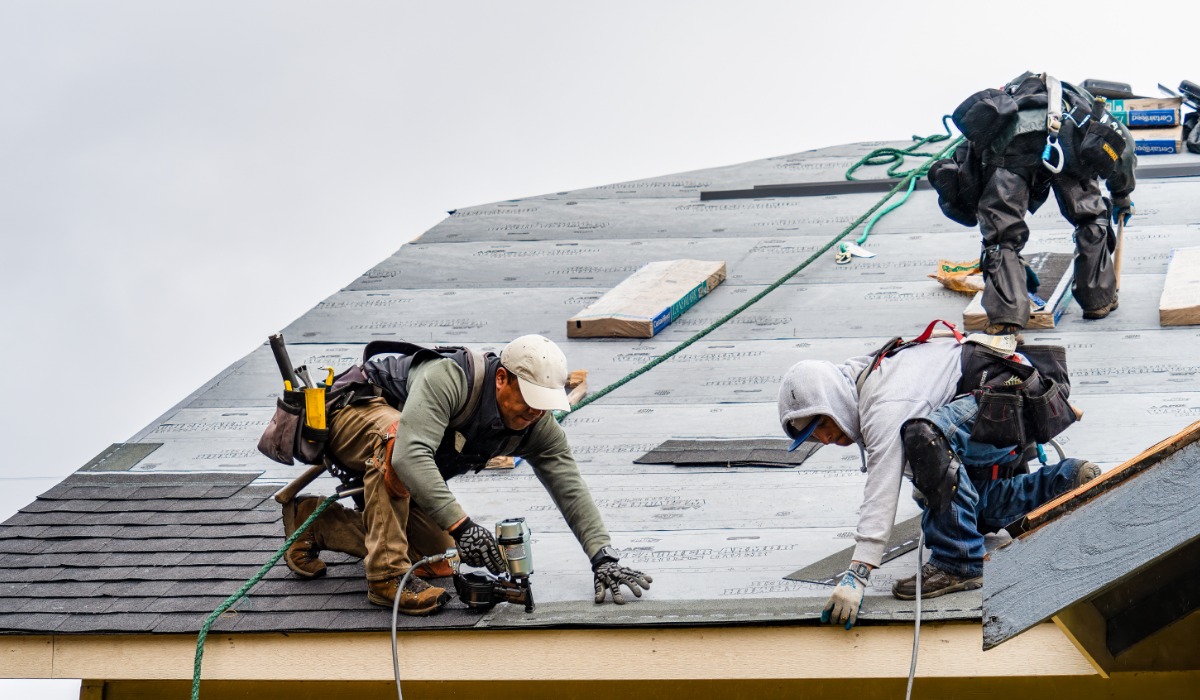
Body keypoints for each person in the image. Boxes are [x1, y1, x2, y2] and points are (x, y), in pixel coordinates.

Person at [283, 334, 651, 615]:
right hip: (354, 415)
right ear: (502, 379)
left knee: (438, 557)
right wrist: (464, 526)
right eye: (529, 401)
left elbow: (569, 485)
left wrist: (603, 557)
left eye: (544, 406)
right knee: (396, 439)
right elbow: (411, 455)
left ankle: (316, 524)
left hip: (395, 467)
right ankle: (385, 578)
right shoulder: (451, 378)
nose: (535, 413)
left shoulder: (535, 424)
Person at [776, 329, 1100, 629]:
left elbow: (882, 484)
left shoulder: (884, 400)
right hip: (1005, 407)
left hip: (1012, 398)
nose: (825, 438)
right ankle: (1064, 483)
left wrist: (858, 573)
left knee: (921, 437)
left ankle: (957, 561)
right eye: (812, 437)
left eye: (821, 424)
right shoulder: (859, 379)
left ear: (833, 400)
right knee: (969, 511)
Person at [935, 72, 1137, 335]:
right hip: (1066, 144)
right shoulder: (1079, 102)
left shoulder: (1001, 107)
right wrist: (1122, 196)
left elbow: (971, 170)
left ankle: (1006, 317)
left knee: (1001, 233)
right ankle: (1097, 299)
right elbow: (1122, 146)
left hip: (1009, 153)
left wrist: (1004, 262)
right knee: (1090, 216)